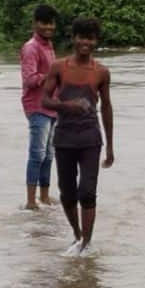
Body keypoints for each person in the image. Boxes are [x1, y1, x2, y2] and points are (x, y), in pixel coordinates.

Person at [41, 17, 114, 254]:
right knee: (67, 193)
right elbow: (45, 99)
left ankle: (86, 245)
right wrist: (65, 107)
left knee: (87, 192)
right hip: (64, 138)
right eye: (81, 37)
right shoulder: (59, 67)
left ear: (95, 41)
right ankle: (76, 233)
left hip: (91, 138)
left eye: (90, 38)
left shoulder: (102, 72)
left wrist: (111, 146)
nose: (85, 42)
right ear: (73, 39)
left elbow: (106, 107)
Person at [21, 3, 58, 210]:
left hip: (52, 106)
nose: (48, 27)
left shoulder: (48, 46)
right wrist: (53, 77)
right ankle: (30, 200)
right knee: (37, 153)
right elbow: (29, 79)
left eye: (51, 23)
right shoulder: (31, 48)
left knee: (49, 154)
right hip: (36, 107)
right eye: (44, 23)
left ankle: (44, 196)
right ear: (35, 23)